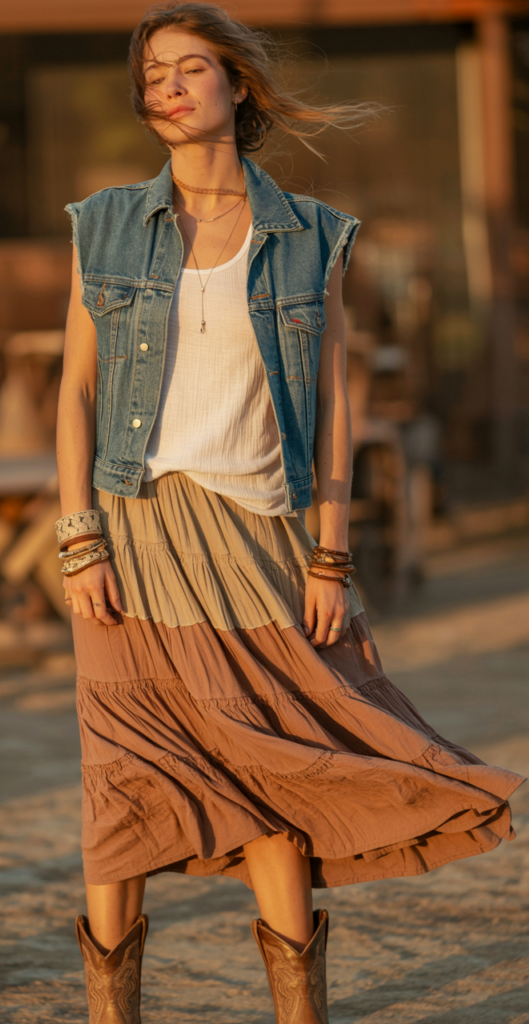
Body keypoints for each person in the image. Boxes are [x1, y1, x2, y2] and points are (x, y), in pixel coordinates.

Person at [55, 4, 524, 1021]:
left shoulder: (313, 236)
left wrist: (330, 554)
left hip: (258, 534)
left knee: (268, 763)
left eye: (189, 69)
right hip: (132, 528)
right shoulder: (102, 225)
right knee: (123, 766)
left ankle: (298, 1010)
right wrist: (76, 534)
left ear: (238, 86)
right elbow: (77, 393)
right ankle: (108, 1011)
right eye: (152, 78)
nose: (167, 89)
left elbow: (337, 401)